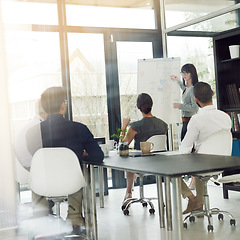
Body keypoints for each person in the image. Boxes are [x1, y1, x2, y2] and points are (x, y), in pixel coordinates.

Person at [29, 86, 104, 233]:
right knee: (82, 170)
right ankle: (75, 217)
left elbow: (34, 158)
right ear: (63, 106)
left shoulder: (32, 133)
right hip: (72, 184)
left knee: (35, 171)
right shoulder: (80, 129)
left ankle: (41, 217)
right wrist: (80, 156)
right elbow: (98, 156)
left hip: (42, 184)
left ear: (44, 107)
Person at [179, 82, 232, 214]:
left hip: (204, 165)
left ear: (195, 99)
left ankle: (192, 199)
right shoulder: (226, 117)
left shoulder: (197, 119)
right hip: (224, 164)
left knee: (169, 171)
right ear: (212, 94)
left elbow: (185, 148)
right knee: (200, 160)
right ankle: (199, 205)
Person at [120, 93, 168, 203]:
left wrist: (123, 127)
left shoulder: (135, 126)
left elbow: (123, 144)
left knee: (129, 160)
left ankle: (129, 192)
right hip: (159, 163)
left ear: (137, 106)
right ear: (151, 105)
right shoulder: (163, 125)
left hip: (141, 164)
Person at [171, 63, 199, 190]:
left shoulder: (193, 88)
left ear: (191, 74)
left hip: (190, 121)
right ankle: (192, 178)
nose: (184, 75)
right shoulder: (187, 88)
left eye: (186, 73)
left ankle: (194, 179)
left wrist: (179, 106)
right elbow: (183, 88)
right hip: (185, 121)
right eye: (183, 73)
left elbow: (194, 108)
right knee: (186, 150)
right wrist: (177, 81)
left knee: (190, 151)